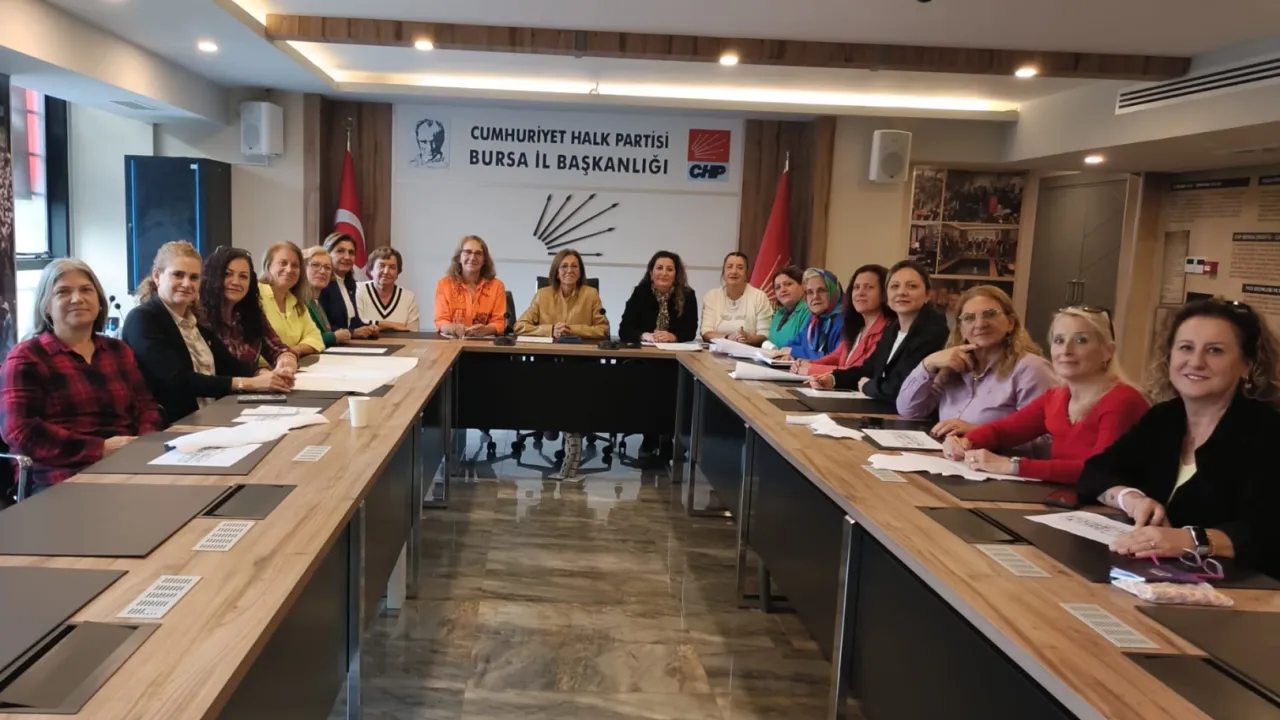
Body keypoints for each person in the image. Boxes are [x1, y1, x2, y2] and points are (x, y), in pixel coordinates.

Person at [1079, 300, 1280, 577]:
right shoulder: (1164, 417)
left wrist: (1191, 540)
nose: (1196, 362)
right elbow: (1095, 472)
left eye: (1215, 350)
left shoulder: (1267, 431)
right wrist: (1131, 499)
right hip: (1156, 577)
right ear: (1170, 356)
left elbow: (1266, 534)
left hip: (1248, 590)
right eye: (1186, 348)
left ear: (1247, 364)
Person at [0, 260, 163, 495]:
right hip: (60, 475)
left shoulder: (118, 350)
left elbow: (147, 406)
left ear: (99, 301)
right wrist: (100, 448)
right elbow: (19, 430)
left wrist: (142, 443)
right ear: (46, 307)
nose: (77, 298)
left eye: (86, 290)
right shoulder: (26, 357)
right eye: (63, 292)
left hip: (128, 461)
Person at [942, 307, 1148, 483]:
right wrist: (967, 442)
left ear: (1107, 351)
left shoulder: (1122, 400)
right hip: (1068, 500)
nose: (1066, 350)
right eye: (1059, 340)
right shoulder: (1057, 396)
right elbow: (1004, 431)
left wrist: (1012, 465)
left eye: (1081, 340)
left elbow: (1098, 471)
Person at [123, 241, 292, 425]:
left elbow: (229, 364)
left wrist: (263, 374)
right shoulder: (143, 319)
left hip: (212, 415)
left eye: (194, 277)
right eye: (178, 275)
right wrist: (251, 383)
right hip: (173, 426)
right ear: (157, 276)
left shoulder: (193, 322)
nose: (186, 284)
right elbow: (177, 380)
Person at [897, 285, 1055, 444]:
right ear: (961, 329)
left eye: (990, 314)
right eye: (969, 318)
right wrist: (928, 363)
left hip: (998, 460)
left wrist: (980, 433)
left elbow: (1048, 440)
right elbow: (909, 411)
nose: (980, 324)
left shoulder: (1031, 369)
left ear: (1010, 323)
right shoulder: (955, 367)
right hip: (949, 456)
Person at [812, 260, 949, 403]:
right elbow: (868, 369)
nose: (901, 292)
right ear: (886, 296)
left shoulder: (932, 332)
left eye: (912, 286)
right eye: (895, 286)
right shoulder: (893, 330)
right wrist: (833, 379)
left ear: (927, 295)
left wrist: (868, 386)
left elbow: (900, 386)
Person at [199, 247, 299, 373]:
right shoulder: (200, 317)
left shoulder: (252, 313)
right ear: (213, 277)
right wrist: (257, 373)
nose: (236, 282)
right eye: (227, 274)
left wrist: (287, 361)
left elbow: (277, 348)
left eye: (243, 276)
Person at [791, 264, 890, 376]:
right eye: (856, 287)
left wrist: (811, 369)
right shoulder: (857, 327)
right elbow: (836, 357)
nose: (860, 293)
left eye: (869, 287)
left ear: (885, 292)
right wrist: (807, 363)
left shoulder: (887, 331)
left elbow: (859, 372)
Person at [514, 248, 609, 339]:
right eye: (564, 266)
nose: (569, 270)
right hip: (549, 349)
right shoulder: (542, 295)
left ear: (580, 273)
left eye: (574, 266)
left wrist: (571, 330)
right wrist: (550, 330)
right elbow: (520, 326)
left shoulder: (591, 294)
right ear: (556, 273)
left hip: (580, 348)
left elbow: (603, 329)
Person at [260, 242, 326, 357]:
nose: (289, 270)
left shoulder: (296, 302)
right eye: (283, 263)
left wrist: (294, 351)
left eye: (295, 265)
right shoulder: (255, 295)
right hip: (262, 367)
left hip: (291, 363)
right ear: (268, 265)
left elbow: (316, 338)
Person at [434, 235, 507, 338]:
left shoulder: (497, 286)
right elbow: (441, 321)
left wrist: (486, 330)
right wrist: (452, 328)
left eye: (478, 253)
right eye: (467, 252)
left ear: (484, 260)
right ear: (459, 258)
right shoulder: (444, 284)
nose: (472, 258)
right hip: (452, 342)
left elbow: (500, 322)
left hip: (485, 344)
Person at [619, 250, 698, 344]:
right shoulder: (640, 293)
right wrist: (643, 335)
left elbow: (690, 332)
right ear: (651, 273)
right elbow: (624, 330)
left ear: (676, 275)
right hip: (646, 349)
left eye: (669, 269)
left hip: (674, 350)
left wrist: (673, 336)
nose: (664, 273)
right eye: (659, 268)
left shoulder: (687, 295)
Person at [700, 252, 773, 345]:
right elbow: (706, 332)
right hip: (716, 350)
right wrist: (728, 338)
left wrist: (749, 339)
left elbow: (764, 335)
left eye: (740, 268)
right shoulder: (712, 296)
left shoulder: (759, 297)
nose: (734, 271)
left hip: (749, 351)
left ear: (746, 274)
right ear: (723, 272)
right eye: (729, 267)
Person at [318, 232, 378, 340]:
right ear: (327, 254)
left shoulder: (350, 284)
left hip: (348, 344)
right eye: (340, 251)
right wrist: (352, 333)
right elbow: (323, 326)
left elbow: (351, 321)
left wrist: (368, 328)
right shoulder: (322, 285)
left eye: (351, 253)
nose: (347, 257)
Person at [780, 269, 845, 360]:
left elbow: (836, 359)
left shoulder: (845, 321)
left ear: (834, 291)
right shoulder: (813, 319)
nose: (815, 297)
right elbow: (793, 343)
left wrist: (795, 352)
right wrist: (789, 353)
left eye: (821, 290)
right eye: (810, 292)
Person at [357, 246, 421, 332]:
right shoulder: (359, 289)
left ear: (398, 273)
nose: (386, 271)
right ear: (371, 269)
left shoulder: (408, 297)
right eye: (381, 266)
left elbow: (413, 331)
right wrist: (392, 325)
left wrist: (375, 325)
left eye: (392, 267)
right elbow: (357, 324)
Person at [302, 246, 350, 347]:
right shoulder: (299, 301)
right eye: (315, 265)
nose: (322, 271)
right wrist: (333, 337)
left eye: (327, 268)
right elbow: (302, 339)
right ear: (302, 269)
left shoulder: (316, 301)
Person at [766, 266, 810, 348]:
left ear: (803, 285)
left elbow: (804, 346)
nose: (783, 290)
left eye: (788, 284)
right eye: (778, 287)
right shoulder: (778, 314)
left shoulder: (809, 311)